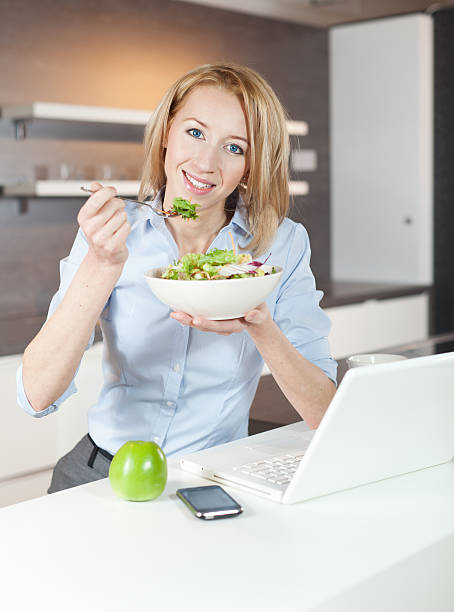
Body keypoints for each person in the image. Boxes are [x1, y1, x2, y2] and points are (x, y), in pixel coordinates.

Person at [17, 63, 337, 493]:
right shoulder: (111, 235)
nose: (205, 163)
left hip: (212, 478)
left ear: (252, 163)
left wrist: (259, 326)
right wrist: (102, 265)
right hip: (98, 475)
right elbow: (36, 395)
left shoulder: (283, 245)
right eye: (195, 132)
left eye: (235, 147)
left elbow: (325, 414)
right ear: (167, 132)